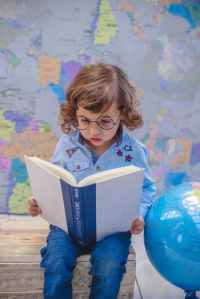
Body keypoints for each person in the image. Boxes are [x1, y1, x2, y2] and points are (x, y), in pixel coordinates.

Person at [28, 63, 157, 299]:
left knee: (109, 267)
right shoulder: (67, 143)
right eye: (84, 120)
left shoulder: (133, 151)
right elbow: (54, 181)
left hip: (112, 230)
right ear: (75, 113)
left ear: (123, 113)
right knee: (55, 262)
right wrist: (39, 201)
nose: (93, 130)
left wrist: (139, 214)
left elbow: (147, 189)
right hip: (68, 228)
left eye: (105, 121)